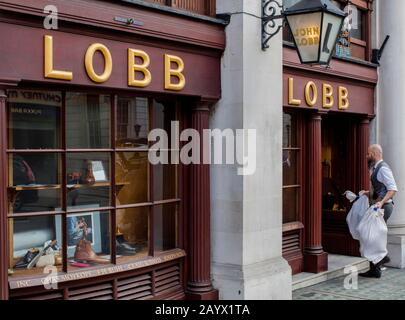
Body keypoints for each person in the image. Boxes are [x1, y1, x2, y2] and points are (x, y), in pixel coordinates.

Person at [359, 144, 397, 278]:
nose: (366, 156)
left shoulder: (383, 168)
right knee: (372, 235)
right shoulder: (376, 168)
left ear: (374, 154)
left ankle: (382, 258)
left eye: (368, 153)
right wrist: (368, 193)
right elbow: (381, 188)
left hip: (383, 207)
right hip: (379, 205)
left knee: (370, 235)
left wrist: (381, 202)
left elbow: (392, 189)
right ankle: (375, 268)